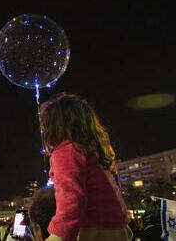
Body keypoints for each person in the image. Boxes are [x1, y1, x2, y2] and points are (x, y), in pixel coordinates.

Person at [39, 93, 132, 241]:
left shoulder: (66, 152)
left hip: (93, 231)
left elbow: (71, 198)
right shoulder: (91, 152)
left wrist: (58, 236)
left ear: (55, 125)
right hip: (118, 228)